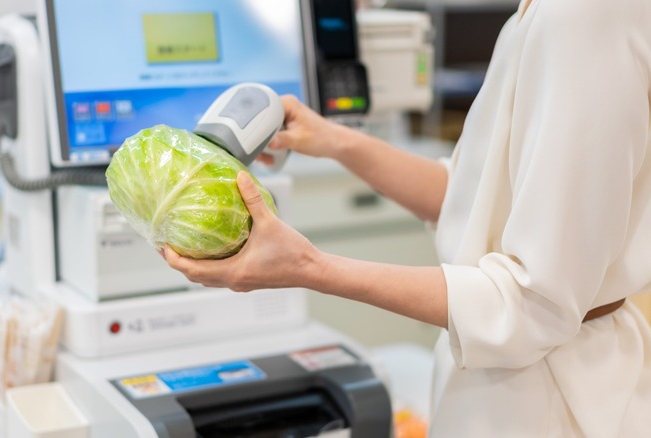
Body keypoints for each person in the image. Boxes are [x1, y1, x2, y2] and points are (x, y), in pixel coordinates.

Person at [163, 0, 651, 435]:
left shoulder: (586, 14)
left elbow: (533, 302)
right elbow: (473, 199)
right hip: (511, 383)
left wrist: (308, 268)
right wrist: (335, 140)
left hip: (550, 397)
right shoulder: (541, 12)